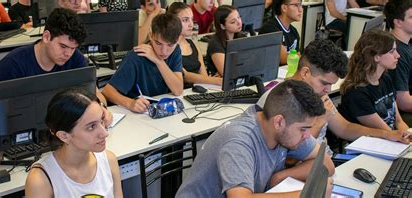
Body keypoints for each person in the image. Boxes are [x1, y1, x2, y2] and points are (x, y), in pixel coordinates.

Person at [176, 80, 335, 197]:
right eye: (303, 129)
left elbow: (327, 163)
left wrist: (280, 177)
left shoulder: (285, 129)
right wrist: (306, 195)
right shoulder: (238, 141)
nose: (308, 135)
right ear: (279, 121)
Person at [257, 39, 411, 154]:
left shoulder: (317, 93)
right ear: (305, 73)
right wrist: (320, 121)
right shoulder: (278, 100)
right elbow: (288, 157)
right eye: (324, 83)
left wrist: (387, 134)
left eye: (331, 84)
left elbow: (344, 128)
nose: (328, 90)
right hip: (303, 169)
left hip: (325, 161)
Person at [0, 8, 113, 127]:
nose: (68, 54)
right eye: (63, 46)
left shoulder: (75, 58)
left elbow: (94, 93)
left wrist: (101, 108)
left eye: (73, 48)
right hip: (26, 130)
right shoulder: (12, 65)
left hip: (65, 128)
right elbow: (4, 115)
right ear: (46, 37)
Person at [25, 88, 123, 198]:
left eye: (101, 121)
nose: (104, 133)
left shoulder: (109, 160)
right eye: (91, 127)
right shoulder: (40, 179)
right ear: (64, 136)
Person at [102, 13, 183, 113]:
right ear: (151, 36)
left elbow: (178, 90)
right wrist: (130, 103)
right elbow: (107, 91)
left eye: (170, 45)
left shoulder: (176, 50)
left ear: (178, 40)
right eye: (158, 43)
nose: (164, 51)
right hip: (136, 114)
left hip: (158, 110)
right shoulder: (137, 56)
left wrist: (158, 61)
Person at [339, 30, 408, 131]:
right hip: (378, 142)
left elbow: (398, 121)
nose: (398, 55)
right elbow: (386, 132)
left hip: (393, 138)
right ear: (376, 57)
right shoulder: (356, 94)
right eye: (392, 51)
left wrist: (407, 136)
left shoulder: (385, 79)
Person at [168, 2, 222, 88]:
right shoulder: (168, 47)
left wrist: (211, 80)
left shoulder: (192, 44)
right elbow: (185, 76)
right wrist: (216, 81)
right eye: (185, 20)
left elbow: (204, 75)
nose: (191, 24)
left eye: (192, 19)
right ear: (172, 21)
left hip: (197, 91)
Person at [384, 0, 412, 125]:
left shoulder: (408, 42)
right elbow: (403, 102)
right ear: (398, 22)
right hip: (404, 114)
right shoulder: (397, 54)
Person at [259, 0, 302, 65]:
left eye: (300, 5)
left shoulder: (294, 32)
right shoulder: (269, 29)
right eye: (296, 5)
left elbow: (297, 58)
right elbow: (283, 59)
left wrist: (296, 57)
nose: (300, 9)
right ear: (284, 8)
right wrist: (296, 57)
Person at [206, 5, 243, 76]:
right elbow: (226, 73)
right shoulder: (215, 44)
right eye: (233, 22)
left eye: (239, 17)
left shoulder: (241, 37)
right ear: (222, 26)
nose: (239, 22)